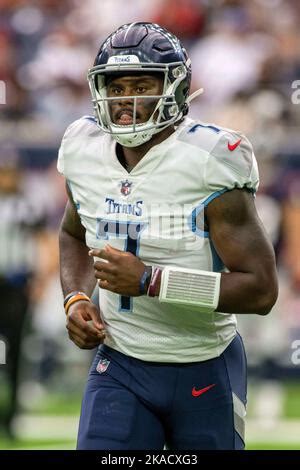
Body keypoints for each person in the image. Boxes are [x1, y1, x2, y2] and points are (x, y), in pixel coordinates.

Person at [57, 22, 278, 450]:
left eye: (142, 85)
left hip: (203, 365)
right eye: (116, 87)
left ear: (175, 89)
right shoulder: (83, 148)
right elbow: (71, 232)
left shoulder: (209, 159)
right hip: (120, 364)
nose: (126, 101)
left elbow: (260, 291)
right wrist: (76, 297)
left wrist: (150, 281)